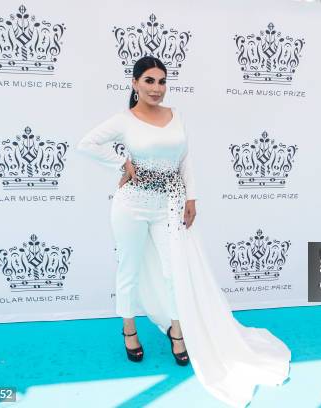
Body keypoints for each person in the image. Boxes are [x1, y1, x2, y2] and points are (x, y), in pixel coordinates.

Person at [77, 56, 291, 407]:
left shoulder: (176, 117)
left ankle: (178, 331)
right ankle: (129, 331)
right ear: (134, 84)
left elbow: (186, 159)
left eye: (162, 81)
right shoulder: (124, 120)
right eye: (149, 81)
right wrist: (122, 163)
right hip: (131, 205)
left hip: (170, 204)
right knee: (128, 269)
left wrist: (192, 198)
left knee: (174, 271)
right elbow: (86, 144)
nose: (156, 88)